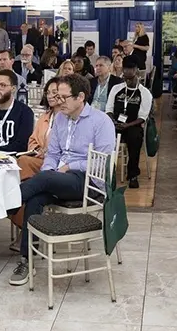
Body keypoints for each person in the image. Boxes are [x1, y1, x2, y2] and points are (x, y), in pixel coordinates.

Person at [7, 73, 116, 285]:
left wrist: (69, 167)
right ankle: (26, 260)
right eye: (58, 97)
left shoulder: (101, 122)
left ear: (81, 97)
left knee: (43, 181)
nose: (59, 101)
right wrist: (52, 171)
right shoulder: (60, 119)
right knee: (35, 198)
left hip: (89, 182)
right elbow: (53, 154)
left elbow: (101, 164)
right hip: (59, 178)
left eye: (64, 97)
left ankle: (7, 203)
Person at [106, 56, 153, 188]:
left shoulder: (144, 93)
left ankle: (133, 174)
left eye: (130, 70)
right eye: (125, 70)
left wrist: (127, 125)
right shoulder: (116, 89)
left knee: (134, 138)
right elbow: (109, 109)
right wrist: (113, 121)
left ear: (137, 71)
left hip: (133, 125)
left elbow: (143, 117)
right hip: (115, 123)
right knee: (103, 136)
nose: (127, 74)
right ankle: (107, 172)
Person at [16, 78, 62, 180]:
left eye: (54, 92)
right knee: (20, 160)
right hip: (39, 158)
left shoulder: (67, 118)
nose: (50, 96)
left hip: (56, 162)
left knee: (23, 161)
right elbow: (32, 140)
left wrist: (47, 153)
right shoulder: (44, 117)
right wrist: (37, 150)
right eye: (48, 93)